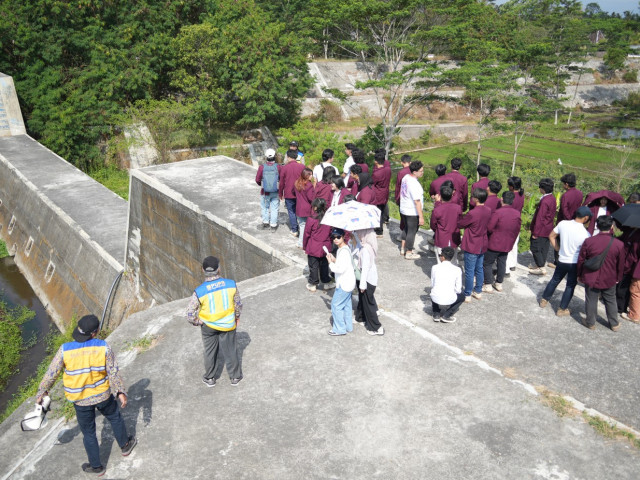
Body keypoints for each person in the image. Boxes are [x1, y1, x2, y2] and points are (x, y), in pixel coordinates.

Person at [35, 314, 136, 475]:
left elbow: (51, 373)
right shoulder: (103, 347)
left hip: (80, 400)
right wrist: (120, 392)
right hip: (102, 395)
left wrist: (42, 391)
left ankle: (96, 467)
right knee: (115, 418)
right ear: (94, 333)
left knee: (88, 432)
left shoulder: (64, 350)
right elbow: (113, 372)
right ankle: (125, 446)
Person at [187, 256, 243, 385]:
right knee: (230, 350)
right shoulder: (231, 284)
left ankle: (210, 378)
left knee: (210, 351)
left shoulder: (199, 291)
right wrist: (237, 317)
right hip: (228, 323)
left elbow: (189, 314)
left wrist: (199, 322)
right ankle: (235, 377)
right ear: (219, 269)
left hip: (208, 325)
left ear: (203, 270)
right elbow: (238, 304)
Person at [539, 206, 592, 316]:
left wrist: (557, 248)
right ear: (586, 218)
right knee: (570, 285)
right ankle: (562, 309)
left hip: (562, 259)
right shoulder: (586, 234)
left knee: (554, 280)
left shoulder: (563, 224)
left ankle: (544, 300)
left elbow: (551, 236)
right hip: (574, 263)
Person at [577, 216, 625, 331]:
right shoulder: (619, 244)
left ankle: (590, 322)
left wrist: (579, 274)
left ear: (597, 226)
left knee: (591, 299)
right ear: (612, 227)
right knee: (610, 300)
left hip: (591, 276)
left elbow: (581, 260)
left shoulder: (589, 241)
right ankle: (614, 324)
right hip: (609, 277)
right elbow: (621, 264)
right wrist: (618, 277)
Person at [483, 191, 521, 293]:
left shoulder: (498, 212)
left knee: (487, 263)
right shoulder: (517, 214)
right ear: (512, 201)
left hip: (494, 242)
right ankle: (499, 283)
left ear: (502, 199)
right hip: (507, 243)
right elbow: (517, 230)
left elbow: (490, 228)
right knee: (502, 262)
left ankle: (487, 284)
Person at [458, 188, 491, 301]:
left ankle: (467, 293)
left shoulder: (472, 213)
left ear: (476, 199)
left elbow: (461, 224)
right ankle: (478, 291)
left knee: (469, 271)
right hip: (482, 242)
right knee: (479, 269)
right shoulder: (488, 210)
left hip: (472, 243)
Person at [326, 228, 356, 335]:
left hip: (344, 284)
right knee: (347, 305)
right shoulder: (344, 249)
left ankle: (339, 329)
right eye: (333, 237)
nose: (336, 239)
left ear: (343, 237)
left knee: (336, 305)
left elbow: (339, 269)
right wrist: (334, 260)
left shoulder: (343, 251)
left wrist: (330, 263)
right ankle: (348, 326)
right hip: (349, 283)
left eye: (338, 237)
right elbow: (343, 264)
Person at [354, 229, 384, 335]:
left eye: (359, 232)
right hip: (368, 279)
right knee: (363, 300)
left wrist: (363, 284)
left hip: (367, 280)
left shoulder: (366, 250)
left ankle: (376, 327)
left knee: (368, 304)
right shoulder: (366, 246)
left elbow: (365, 268)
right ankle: (360, 317)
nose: (357, 233)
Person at [303, 198, 335, 292]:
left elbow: (306, 234)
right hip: (325, 246)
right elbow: (331, 233)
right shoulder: (328, 218)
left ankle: (313, 283)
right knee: (324, 265)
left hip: (314, 246)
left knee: (313, 266)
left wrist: (305, 246)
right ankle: (326, 282)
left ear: (316, 207)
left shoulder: (311, 219)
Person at [430, 246, 465, 323]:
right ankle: (447, 315)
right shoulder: (457, 270)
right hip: (450, 298)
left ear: (442, 257)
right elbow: (458, 289)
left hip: (435, 296)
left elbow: (432, 285)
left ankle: (436, 313)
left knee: (433, 289)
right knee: (462, 296)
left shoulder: (434, 267)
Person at [529, 178, 556, 276]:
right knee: (544, 247)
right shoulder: (552, 198)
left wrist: (535, 232)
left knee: (534, 246)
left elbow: (540, 217)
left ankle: (541, 267)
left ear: (543, 189)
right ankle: (539, 264)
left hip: (541, 228)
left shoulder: (544, 201)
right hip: (548, 228)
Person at [399, 161, 425, 259]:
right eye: (421, 171)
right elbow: (417, 202)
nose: (422, 172)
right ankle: (409, 252)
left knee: (406, 228)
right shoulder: (415, 184)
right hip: (412, 211)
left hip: (404, 208)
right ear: (414, 172)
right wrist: (421, 216)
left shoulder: (406, 177)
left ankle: (403, 248)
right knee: (412, 231)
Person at [430, 184, 462, 264]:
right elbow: (460, 222)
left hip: (441, 237)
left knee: (440, 261)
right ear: (452, 195)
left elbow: (433, 225)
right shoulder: (458, 208)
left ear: (440, 195)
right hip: (454, 238)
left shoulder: (437, 210)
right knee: (453, 261)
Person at [279, 150, 306, 237]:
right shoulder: (302, 167)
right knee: (300, 211)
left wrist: (280, 194)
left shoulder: (284, 168)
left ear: (288, 157)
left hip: (288, 193)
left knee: (291, 211)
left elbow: (281, 182)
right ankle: (302, 229)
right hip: (300, 192)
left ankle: (294, 230)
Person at [255, 148, 281, 231]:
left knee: (265, 207)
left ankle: (265, 223)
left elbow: (257, 179)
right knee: (274, 208)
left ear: (266, 157)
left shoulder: (262, 167)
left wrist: (263, 185)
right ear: (274, 156)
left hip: (264, 192)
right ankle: (273, 225)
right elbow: (282, 179)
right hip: (275, 191)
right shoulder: (279, 167)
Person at [506, 176, 525, 272]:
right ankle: (513, 264)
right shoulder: (522, 195)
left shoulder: (511, 196)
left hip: (509, 222)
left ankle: (507, 267)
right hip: (517, 221)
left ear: (512, 187)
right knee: (514, 244)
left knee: (507, 244)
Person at [372, 151, 391, 237]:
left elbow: (373, 184)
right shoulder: (388, 170)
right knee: (382, 210)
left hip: (378, 193)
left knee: (378, 211)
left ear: (376, 161)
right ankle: (382, 223)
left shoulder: (376, 173)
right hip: (385, 191)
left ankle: (379, 231)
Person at [294, 167, 314, 248]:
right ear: (307, 176)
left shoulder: (297, 183)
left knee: (301, 225)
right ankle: (301, 243)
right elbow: (311, 198)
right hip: (306, 209)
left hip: (299, 208)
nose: (312, 176)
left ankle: (300, 242)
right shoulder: (308, 185)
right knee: (304, 227)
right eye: (311, 175)